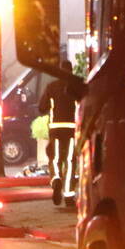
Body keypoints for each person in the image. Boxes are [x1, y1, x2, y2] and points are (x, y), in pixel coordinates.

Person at [39, 60, 82, 205]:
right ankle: (69, 195)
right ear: (71, 71)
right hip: (71, 128)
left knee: (55, 158)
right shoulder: (77, 87)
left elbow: (42, 107)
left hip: (55, 128)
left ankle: (56, 179)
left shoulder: (52, 87)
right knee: (70, 161)